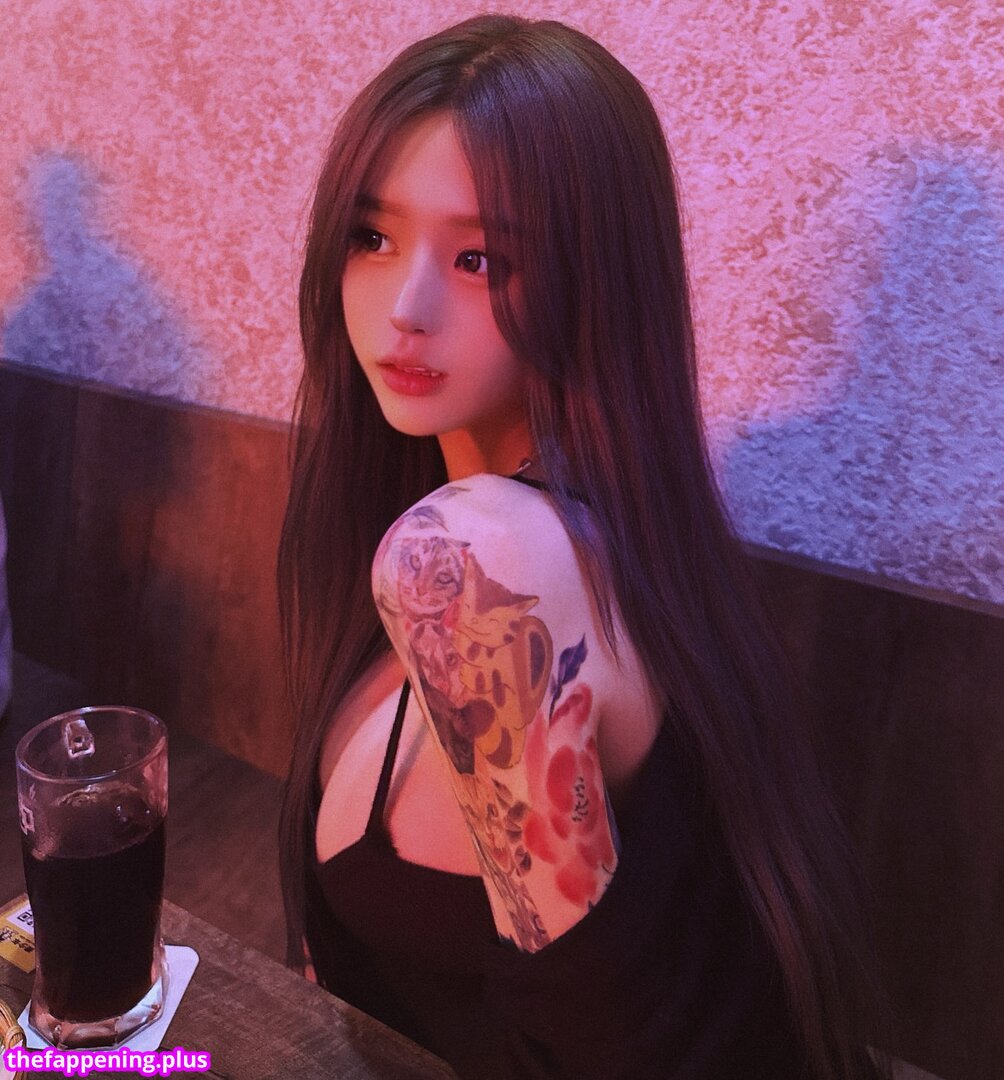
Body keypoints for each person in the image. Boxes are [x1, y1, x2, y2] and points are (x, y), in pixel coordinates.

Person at [277, 15, 888, 1079]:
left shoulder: (476, 558)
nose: (405, 307)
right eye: (371, 237)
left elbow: (602, 1046)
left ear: (595, 283)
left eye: (480, 258)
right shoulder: (599, 525)